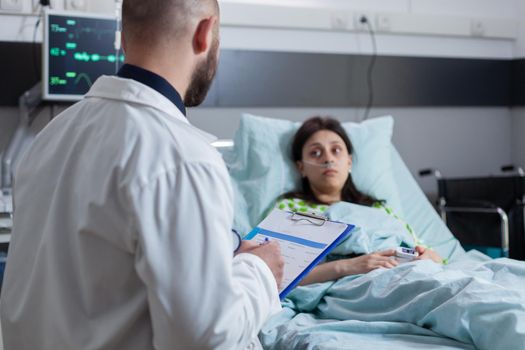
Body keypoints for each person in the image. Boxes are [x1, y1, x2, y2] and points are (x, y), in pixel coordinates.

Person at [0, 1, 284, 349]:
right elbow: (206, 338)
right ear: (205, 33)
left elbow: (99, 251)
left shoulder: (50, 137)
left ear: (125, 39)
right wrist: (260, 272)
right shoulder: (183, 157)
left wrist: (227, 245)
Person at [276, 116, 443, 285]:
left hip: (410, 274)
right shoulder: (292, 208)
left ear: (349, 162)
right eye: (315, 153)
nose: (328, 159)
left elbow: (430, 254)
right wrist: (349, 266)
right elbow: (283, 275)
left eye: (336, 150)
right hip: (360, 286)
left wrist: (428, 257)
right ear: (301, 167)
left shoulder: (378, 208)